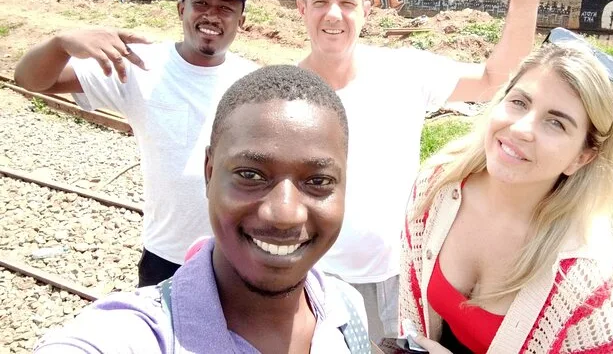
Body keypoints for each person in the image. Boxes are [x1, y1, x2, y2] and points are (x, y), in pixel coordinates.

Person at [296, 0, 560, 341]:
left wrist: (526, 2)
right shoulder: (284, 93)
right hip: (310, 279)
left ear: (367, 10)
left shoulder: (404, 72)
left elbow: (495, 79)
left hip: (397, 278)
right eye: (321, 3)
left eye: (347, 3)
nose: (334, 15)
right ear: (302, 9)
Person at [34, 65, 370, 354]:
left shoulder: (345, 311)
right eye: (250, 175)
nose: (284, 215)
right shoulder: (136, 335)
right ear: (209, 172)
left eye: (318, 181)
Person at [15, 0, 258, 287]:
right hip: (166, 256)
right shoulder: (140, 66)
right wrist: (60, 44)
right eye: (201, 3)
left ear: (241, 21)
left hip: (238, 255)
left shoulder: (253, 83)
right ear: (181, 9)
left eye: (226, 8)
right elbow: (30, 80)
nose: (212, 15)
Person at [399, 39, 613, 353]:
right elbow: (410, 319)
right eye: (520, 102)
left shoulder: (589, 280)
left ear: (582, 157)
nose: (522, 128)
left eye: (556, 122)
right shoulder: (436, 186)